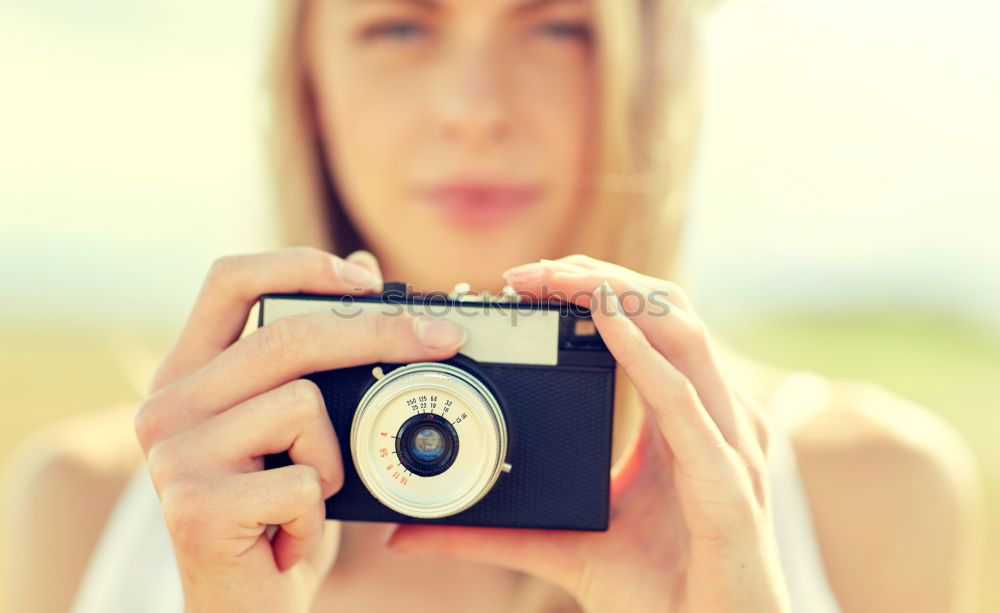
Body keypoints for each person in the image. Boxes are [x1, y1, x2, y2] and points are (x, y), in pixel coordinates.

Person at [2, 0, 984, 611]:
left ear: (652, 70)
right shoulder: (96, 508)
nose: (474, 104)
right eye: (399, 23)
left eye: (555, 22)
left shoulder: (866, 491)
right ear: (310, 82)